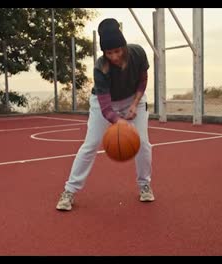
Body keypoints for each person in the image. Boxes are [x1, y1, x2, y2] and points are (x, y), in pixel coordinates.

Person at [56, 18, 154, 211]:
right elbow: (106, 108)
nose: (114, 56)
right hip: (105, 103)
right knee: (91, 144)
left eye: (117, 51)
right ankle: (69, 191)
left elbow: (143, 80)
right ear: (104, 52)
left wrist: (135, 104)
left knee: (143, 143)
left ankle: (145, 185)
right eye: (109, 53)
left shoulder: (138, 53)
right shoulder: (101, 67)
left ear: (124, 46)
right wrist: (120, 122)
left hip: (133, 99)